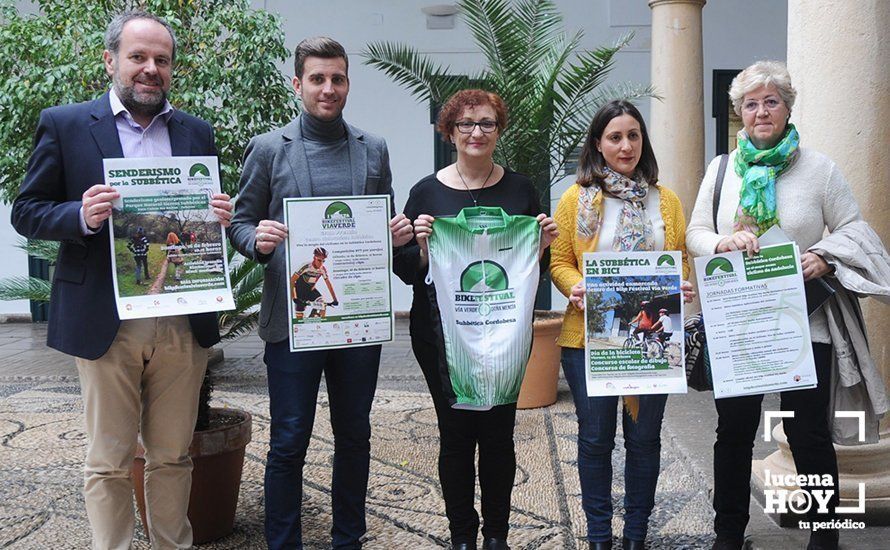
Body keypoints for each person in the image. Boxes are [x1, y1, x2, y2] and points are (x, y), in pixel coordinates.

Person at [9, 11, 233, 549]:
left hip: (181, 320)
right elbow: (27, 210)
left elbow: (200, 220)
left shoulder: (196, 132)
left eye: (161, 60)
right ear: (110, 61)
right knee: (108, 460)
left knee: (173, 456)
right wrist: (80, 216)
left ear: (172, 69)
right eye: (138, 57)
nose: (150, 69)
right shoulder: (65, 124)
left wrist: (218, 216)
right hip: (108, 325)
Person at [686, 60, 881, 550]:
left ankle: (824, 534)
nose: (761, 112)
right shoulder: (722, 170)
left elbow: (855, 230)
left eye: (771, 101)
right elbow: (694, 234)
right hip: (740, 325)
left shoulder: (820, 170)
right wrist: (721, 244)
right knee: (733, 431)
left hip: (803, 325)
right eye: (751, 104)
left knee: (809, 433)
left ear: (788, 107)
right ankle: (728, 532)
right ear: (739, 113)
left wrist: (824, 256)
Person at [228, 36, 410, 550]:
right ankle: (284, 543)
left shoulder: (372, 148)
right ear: (298, 84)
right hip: (292, 324)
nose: (328, 88)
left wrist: (394, 236)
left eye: (337, 78)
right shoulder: (269, 148)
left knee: (355, 436)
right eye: (317, 78)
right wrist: (255, 240)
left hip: (357, 322)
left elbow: (380, 222)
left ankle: (347, 539)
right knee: (288, 441)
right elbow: (242, 222)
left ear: (348, 83)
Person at [393, 89, 558, 550]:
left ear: (498, 130)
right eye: (465, 124)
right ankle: (462, 536)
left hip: (505, 335)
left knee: (499, 435)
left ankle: (497, 538)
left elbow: (529, 272)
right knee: (456, 434)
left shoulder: (521, 188)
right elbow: (405, 268)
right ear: (449, 132)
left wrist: (541, 247)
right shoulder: (425, 192)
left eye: (486, 123)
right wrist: (423, 248)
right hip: (442, 337)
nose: (476, 133)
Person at [550, 99, 695, 550]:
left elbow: (682, 260)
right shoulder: (577, 198)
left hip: (651, 336)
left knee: (645, 439)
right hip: (589, 336)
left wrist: (683, 285)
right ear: (598, 143)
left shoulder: (664, 200)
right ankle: (598, 535)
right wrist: (575, 286)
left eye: (633, 135)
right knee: (595, 438)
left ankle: (635, 534)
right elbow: (559, 260)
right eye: (615, 136)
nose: (625, 145)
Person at [291, 246, 339, 319]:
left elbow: (328, 284)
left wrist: (335, 299)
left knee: (322, 306)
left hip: (311, 291)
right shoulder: (306, 266)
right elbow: (292, 281)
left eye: (323, 261)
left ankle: (318, 324)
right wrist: (294, 297)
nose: (321, 263)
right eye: (319, 260)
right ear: (314, 258)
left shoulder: (322, 269)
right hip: (299, 293)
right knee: (300, 320)